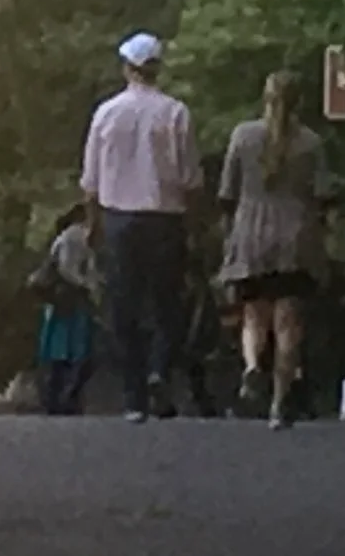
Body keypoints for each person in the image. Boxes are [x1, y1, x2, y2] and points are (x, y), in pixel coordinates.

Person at [80, 32, 201, 423]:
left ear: (127, 68)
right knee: (168, 303)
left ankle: (134, 395)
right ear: (157, 69)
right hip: (165, 217)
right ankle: (159, 370)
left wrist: (92, 224)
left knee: (123, 306)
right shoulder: (176, 113)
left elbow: (90, 180)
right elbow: (190, 178)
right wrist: (194, 226)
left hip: (119, 217)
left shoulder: (106, 113)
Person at [216, 70, 329, 428]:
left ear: (264, 97)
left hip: (251, 236)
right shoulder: (311, 143)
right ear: (300, 102)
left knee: (253, 315)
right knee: (287, 324)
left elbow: (227, 192)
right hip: (294, 240)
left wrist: (228, 235)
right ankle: (280, 404)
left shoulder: (243, 136)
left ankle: (252, 367)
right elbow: (322, 194)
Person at [32, 204, 98, 415]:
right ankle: (65, 396)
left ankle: (56, 397)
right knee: (74, 347)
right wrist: (88, 285)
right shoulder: (75, 236)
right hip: (70, 299)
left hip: (61, 301)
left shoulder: (66, 237)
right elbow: (67, 268)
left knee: (59, 348)